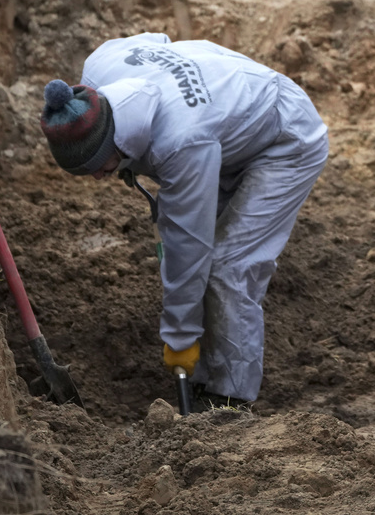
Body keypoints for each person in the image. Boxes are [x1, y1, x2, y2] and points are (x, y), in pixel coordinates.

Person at [39, 33, 328, 407]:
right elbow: (159, 40)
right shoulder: (99, 69)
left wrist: (179, 338)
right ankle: (205, 374)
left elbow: (187, 248)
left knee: (228, 264)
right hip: (229, 122)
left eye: (100, 167)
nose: (98, 178)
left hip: (285, 137)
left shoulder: (180, 141)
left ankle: (228, 399)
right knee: (204, 262)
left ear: (118, 141)